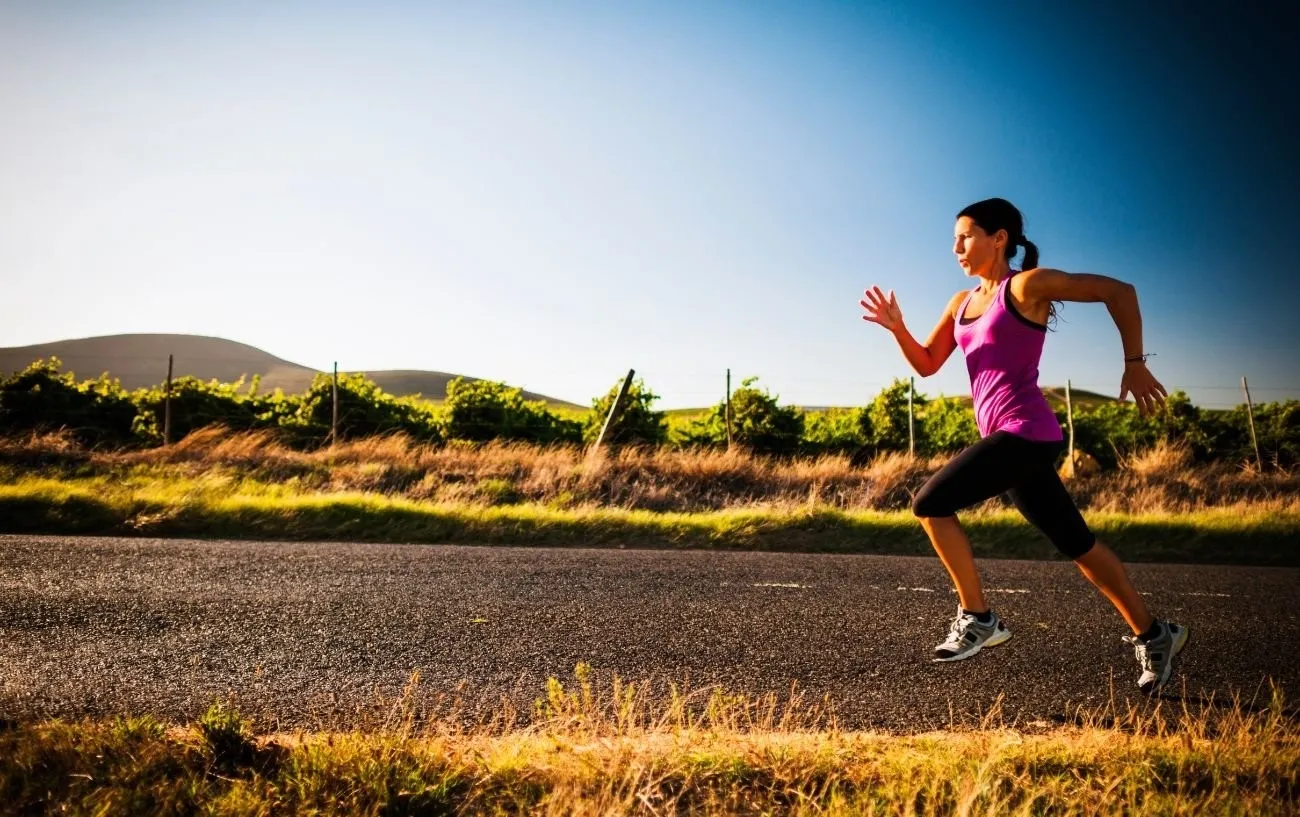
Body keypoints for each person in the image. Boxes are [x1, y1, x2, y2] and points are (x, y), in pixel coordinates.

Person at [858, 197, 1189, 694]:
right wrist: (898, 328)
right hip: (1005, 440)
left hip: (1027, 432)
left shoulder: (1027, 286)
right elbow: (927, 364)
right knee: (1077, 544)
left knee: (929, 503)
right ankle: (1155, 633)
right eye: (953, 240)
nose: (956, 248)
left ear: (999, 238)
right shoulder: (960, 303)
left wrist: (1135, 362)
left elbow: (1120, 291)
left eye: (965, 237)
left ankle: (979, 617)